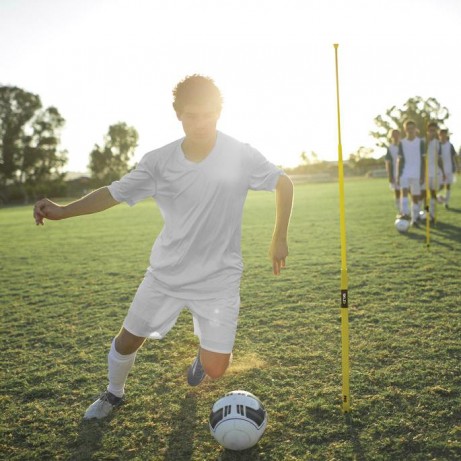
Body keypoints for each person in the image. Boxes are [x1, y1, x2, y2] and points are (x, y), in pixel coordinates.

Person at [33, 75, 294, 420]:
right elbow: (112, 192)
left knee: (217, 369)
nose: (200, 123)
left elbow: (283, 182)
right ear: (178, 115)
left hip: (219, 277)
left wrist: (279, 238)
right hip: (166, 274)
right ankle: (113, 394)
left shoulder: (240, 154)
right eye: (191, 115)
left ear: (219, 112)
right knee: (128, 340)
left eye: (207, 114)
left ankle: (203, 358)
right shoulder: (158, 161)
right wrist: (64, 211)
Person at [396, 120, 425, 226]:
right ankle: (405, 214)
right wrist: (398, 175)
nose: (410, 130)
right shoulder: (401, 143)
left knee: (415, 197)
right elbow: (399, 160)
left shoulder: (420, 142)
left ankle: (415, 218)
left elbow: (423, 160)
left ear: (415, 129)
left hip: (417, 173)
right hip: (405, 172)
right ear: (405, 130)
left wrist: (422, 174)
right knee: (403, 192)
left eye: (412, 128)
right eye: (408, 128)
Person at [423, 121, 442, 222]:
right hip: (425, 172)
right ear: (427, 131)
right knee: (425, 195)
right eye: (430, 130)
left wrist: (442, 171)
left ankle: (432, 214)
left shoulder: (438, 143)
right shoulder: (423, 142)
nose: (432, 132)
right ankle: (426, 213)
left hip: (434, 172)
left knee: (433, 193)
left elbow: (439, 159)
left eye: (434, 131)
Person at [438, 129, 459, 209]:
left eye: (444, 134)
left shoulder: (450, 145)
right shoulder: (438, 145)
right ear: (439, 135)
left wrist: (457, 166)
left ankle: (446, 202)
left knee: (448, 186)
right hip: (440, 169)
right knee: (440, 186)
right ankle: (436, 197)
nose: (443, 136)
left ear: (446, 135)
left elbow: (454, 156)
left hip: (449, 168)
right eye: (441, 134)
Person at [384, 129, 401, 213]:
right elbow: (388, 163)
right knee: (397, 191)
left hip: (406, 171)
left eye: (396, 134)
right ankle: (399, 208)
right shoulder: (390, 148)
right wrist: (390, 175)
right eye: (393, 134)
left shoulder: (404, 145)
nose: (395, 136)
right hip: (395, 172)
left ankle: (416, 211)